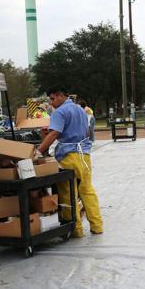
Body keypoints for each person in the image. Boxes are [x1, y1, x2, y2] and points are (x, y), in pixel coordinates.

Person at [35, 87, 103, 238]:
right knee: (87, 190)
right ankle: (97, 226)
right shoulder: (80, 109)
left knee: (68, 193)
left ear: (60, 96)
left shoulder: (59, 112)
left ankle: (76, 230)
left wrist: (39, 151)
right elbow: (86, 132)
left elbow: (54, 133)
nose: (51, 103)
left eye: (52, 99)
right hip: (84, 156)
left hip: (68, 157)